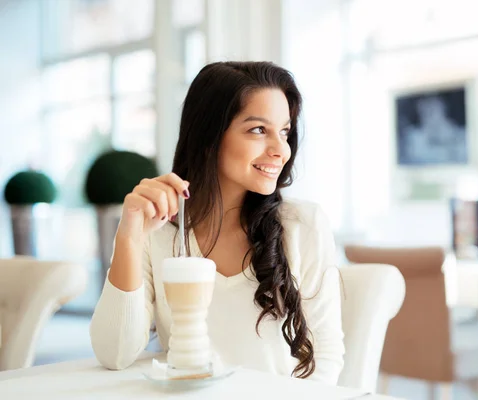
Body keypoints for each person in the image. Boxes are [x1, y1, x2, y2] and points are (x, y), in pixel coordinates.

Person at [89, 61, 345, 384]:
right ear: (209, 136)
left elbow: (325, 360)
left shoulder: (302, 226)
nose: (281, 149)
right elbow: (114, 353)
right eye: (258, 130)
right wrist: (128, 238)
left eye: (284, 131)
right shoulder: (159, 230)